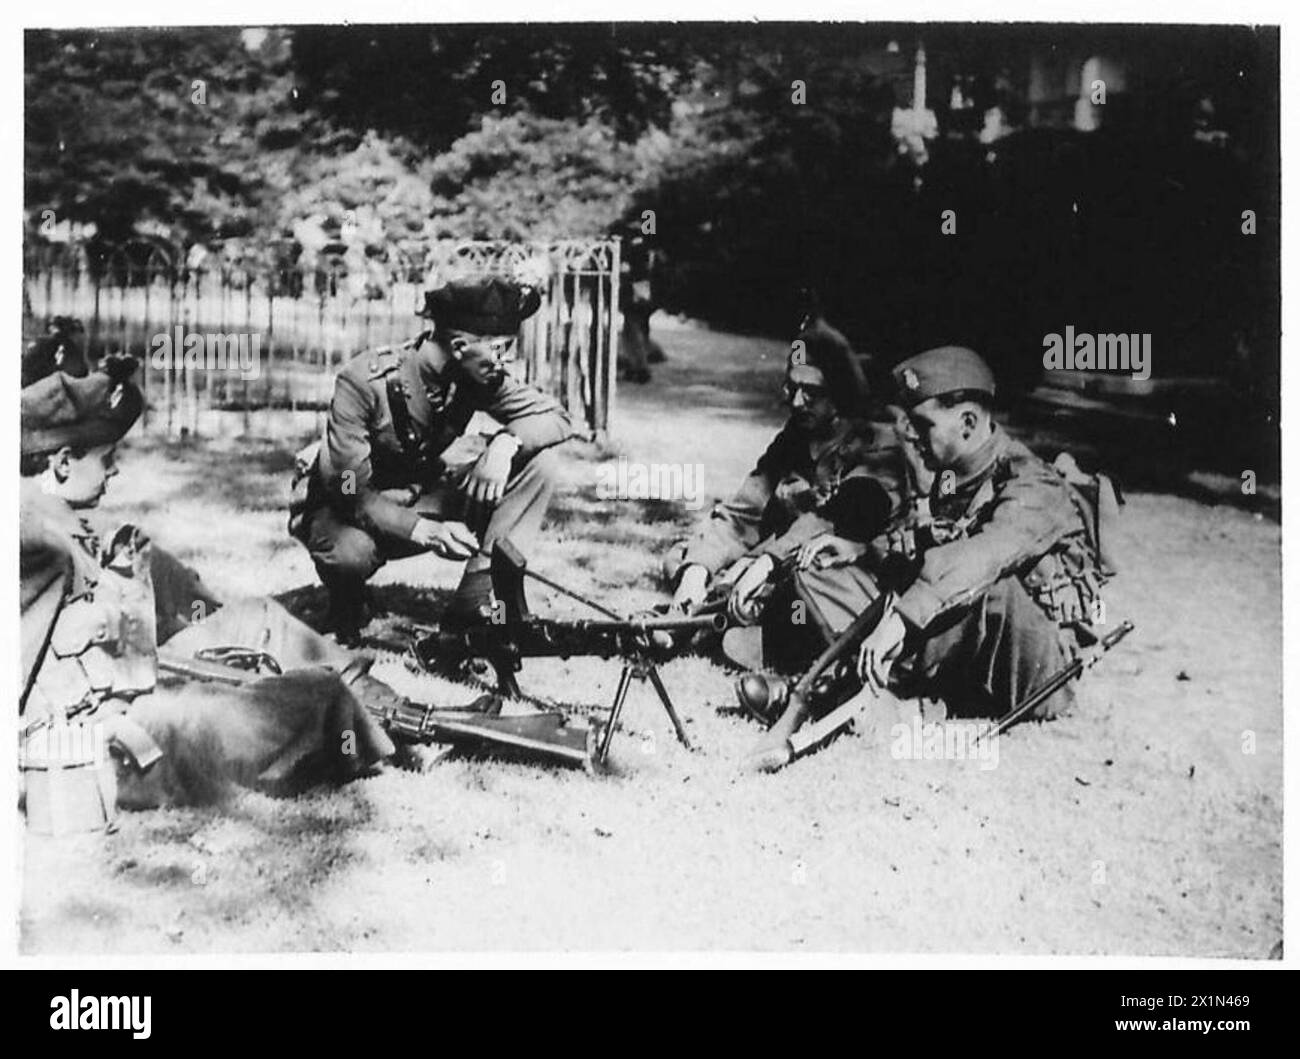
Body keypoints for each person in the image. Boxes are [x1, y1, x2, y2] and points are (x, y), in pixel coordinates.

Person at [20, 359, 398, 810]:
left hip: (132, 690)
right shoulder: (35, 542)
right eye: (107, 459)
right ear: (63, 463)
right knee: (318, 695)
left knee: (257, 618)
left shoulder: (57, 520)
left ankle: (397, 710)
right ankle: (390, 730)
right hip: (103, 740)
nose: (115, 471)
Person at [751, 345, 1109, 765]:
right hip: (962, 647)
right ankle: (852, 690)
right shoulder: (953, 479)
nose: (912, 436)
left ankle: (852, 697)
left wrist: (901, 620)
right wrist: (865, 553)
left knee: (983, 586)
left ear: (968, 422)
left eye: (923, 425)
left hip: (1037, 675)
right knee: (825, 570)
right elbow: (923, 552)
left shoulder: (1034, 484)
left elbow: (982, 556)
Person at [291, 276, 572, 641]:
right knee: (350, 554)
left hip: (422, 494)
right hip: (348, 510)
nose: (507, 361)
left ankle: (471, 606)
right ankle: (347, 604)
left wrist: (506, 443)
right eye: (501, 349)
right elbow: (349, 492)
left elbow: (557, 418)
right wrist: (426, 531)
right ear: (459, 345)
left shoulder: (474, 373)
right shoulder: (364, 381)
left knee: (540, 465)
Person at [664, 313, 906, 671]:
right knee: (684, 556)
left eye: (812, 393)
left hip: (841, 573)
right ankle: (704, 613)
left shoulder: (878, 446)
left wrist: (763, 563)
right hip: (778, 561)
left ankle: (766, 634)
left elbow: (832, 522)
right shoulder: (795, 437)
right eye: (792, 389)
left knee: (795, 588)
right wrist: (696, 572)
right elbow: (743, 512)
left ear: (840, 395)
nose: (796, 403)